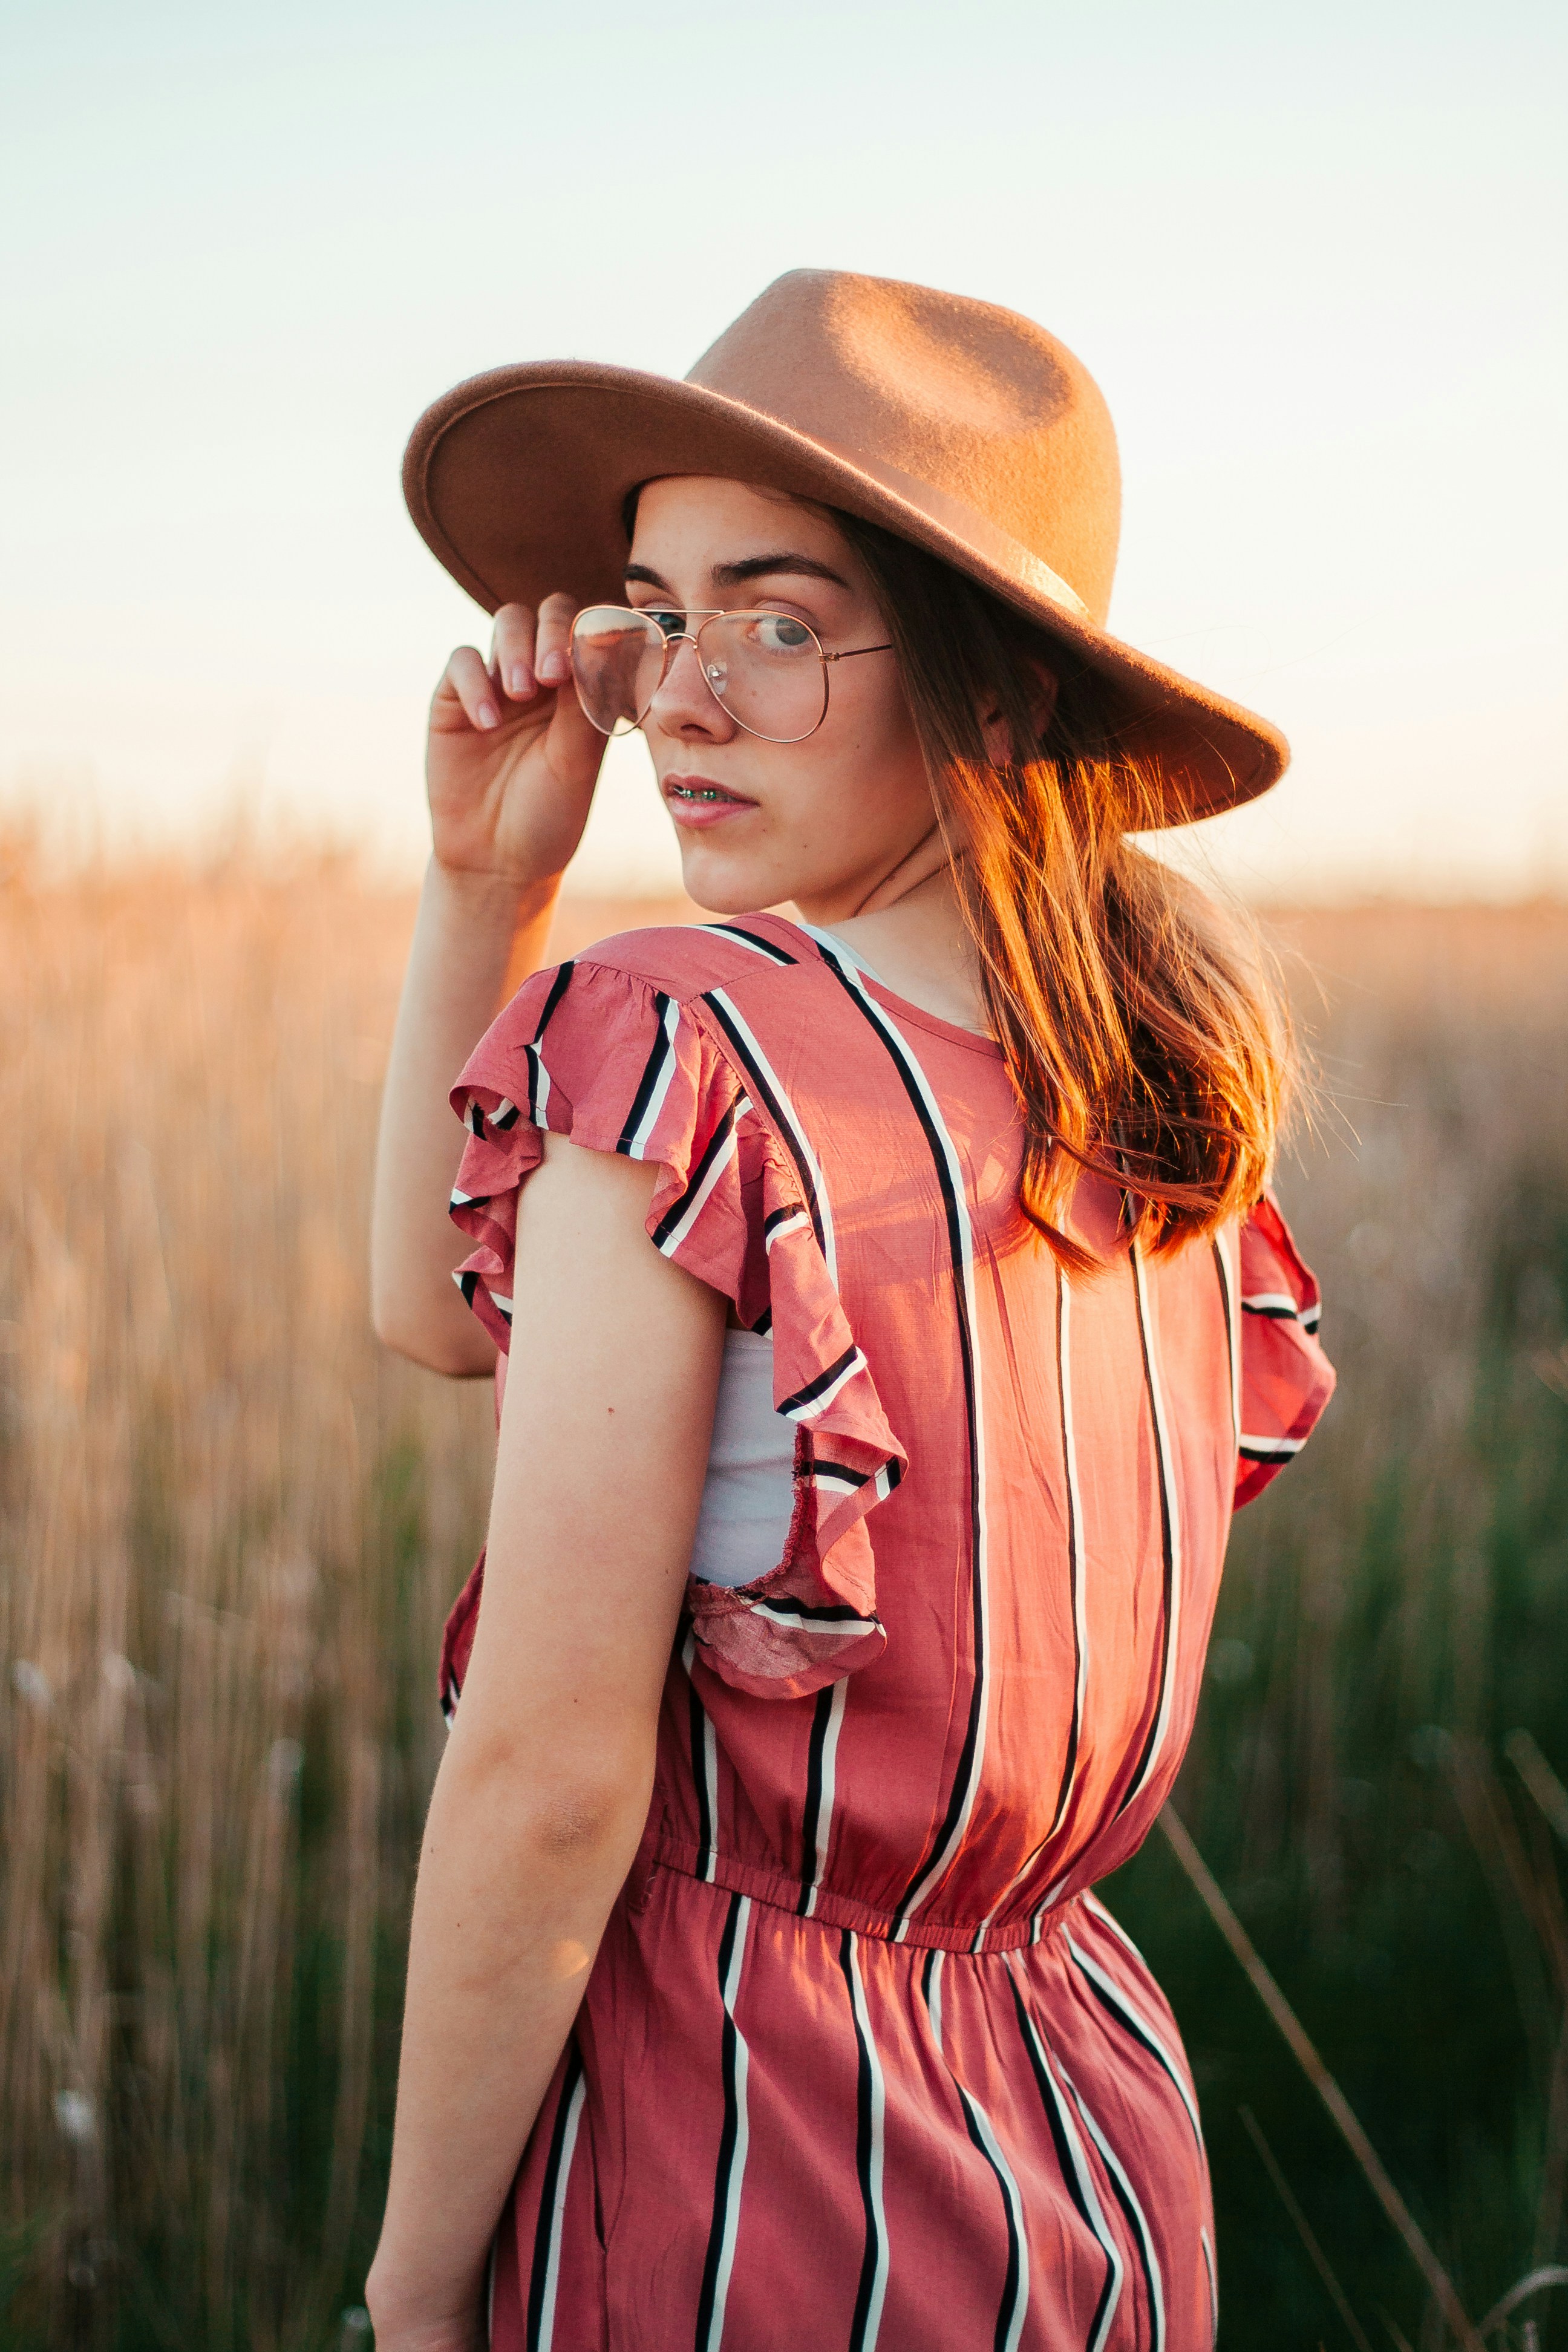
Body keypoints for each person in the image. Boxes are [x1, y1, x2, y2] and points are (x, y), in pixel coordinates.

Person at [364, 270, 1334, 2352]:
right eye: (658, 613)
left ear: (988, 701)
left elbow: (546, 1773)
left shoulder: (683, 1039)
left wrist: (419, 2278)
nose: (682, 703)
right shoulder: (1158, 1124)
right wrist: (483, 884)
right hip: (1088, 2183)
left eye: (781, 624)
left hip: (730, 2174)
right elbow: (451, 1321)